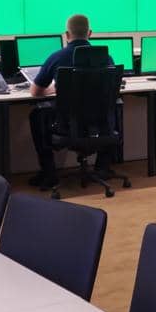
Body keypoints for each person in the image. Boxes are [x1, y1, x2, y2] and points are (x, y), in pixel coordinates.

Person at [27, 14, 118, 188]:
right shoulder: (106, 58)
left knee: (37, 115)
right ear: (90, 33)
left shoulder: (57, 57)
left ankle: (49, 173)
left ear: (66, 35)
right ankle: (102, 167)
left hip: (67, 126)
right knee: (117, 106)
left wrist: (52, 89)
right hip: (99, 126)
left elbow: (35, 92)